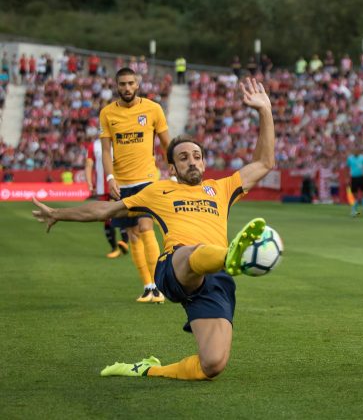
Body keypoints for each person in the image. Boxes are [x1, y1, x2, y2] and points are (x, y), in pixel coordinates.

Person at [31, 78, 275, 381]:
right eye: (183, 158)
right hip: (175, 267)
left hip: (214, 280)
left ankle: (149, 368)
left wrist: (265, 110)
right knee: (193, 252)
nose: (192, 162)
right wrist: (58, 213)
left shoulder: (222, 188)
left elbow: (265, 162)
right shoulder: (157, 191)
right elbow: (105, 210)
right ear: (171, 168)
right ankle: (233, 255)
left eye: (197, 156)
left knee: (212, 365)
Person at [99, 67, 171, 303]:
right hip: (122, 182)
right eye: (123, 84)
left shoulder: (152, 109)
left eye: (131, 83)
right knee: (132, 234)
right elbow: (106, 151)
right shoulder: (107, 113)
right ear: (117, 86)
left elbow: (165, 143)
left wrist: (174, 167)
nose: (127, 88)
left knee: (145, 225)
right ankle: (148, 286)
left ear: (137, 84)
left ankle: (159, 286)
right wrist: (110, 179)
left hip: (147, 179)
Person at [85, 136, 129, 259]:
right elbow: (89, 164)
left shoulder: (120, 141)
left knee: (121, 213)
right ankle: (115, 247)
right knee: (106, 217)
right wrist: (89, 182)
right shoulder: (94, 145)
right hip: (102, 188)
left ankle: (124, 242)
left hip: (119, 185)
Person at [346, 147, 363, 218]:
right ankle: (354, 212)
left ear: (359, 151)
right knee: (355, 195)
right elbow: (347, 168)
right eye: (354, 150)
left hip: (361, 177)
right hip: (354, 178)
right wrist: (347, 178)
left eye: (357, 150)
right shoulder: (350, 158)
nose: (356, 152)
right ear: (353, 151)